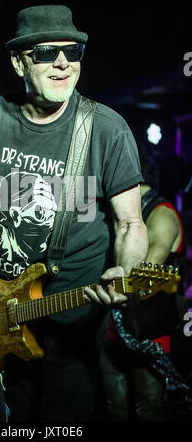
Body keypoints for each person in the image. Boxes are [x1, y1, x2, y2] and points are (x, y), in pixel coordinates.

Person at [0, 5, 148, 422]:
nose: (63, 62)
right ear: (18, 62)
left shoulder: (106, 128)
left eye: (73, 51)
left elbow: (131, 223)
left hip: (71, 312)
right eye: (47, 52)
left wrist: (126, 269)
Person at [99, 143, 188, 421]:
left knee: (149, 411)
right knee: (115, 409)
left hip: (151, 332)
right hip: (115, 328)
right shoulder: (124, 214)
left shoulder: (162, 214)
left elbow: (144, 271)